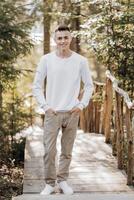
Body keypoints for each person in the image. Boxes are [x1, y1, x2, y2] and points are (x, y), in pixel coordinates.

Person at [32, 25, 94, 195]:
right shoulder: (46, 60)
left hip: (72, 113)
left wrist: (81, 105)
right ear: (55, 40)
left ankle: (63, 180)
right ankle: (50, 183)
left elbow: (89, 86)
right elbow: (36, 86)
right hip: (53, 113)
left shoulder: (80, 61)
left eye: (65, 37)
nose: (63, 41)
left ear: (70, 38)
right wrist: (45, 106)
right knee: (49, 151)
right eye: (59, 38)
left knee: (67, 151)